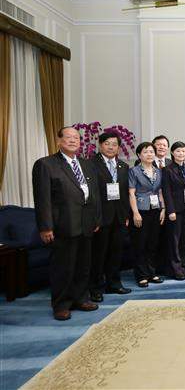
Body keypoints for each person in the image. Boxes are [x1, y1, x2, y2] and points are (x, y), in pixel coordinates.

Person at [32, 127, 102, 321]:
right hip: (62, 225)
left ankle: (81, 298)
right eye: (68, 137)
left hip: (86, 223)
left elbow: (94, 194)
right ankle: (61, 304)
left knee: (83, 266)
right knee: (63, 267)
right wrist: (45, 226)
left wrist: (96, 219)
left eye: (76, 138)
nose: (73, 141)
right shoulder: (46, 164)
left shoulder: (87, 164)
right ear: (58, 141)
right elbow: (42, 199)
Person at [89, 132, 132, 303]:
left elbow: (125, 193)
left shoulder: (123, 166)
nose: (111, 147)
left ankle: (114, 283)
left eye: (114, 144)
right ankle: (95, 288)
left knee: (116, 252)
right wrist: (94, 217)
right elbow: (91, 194)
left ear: (119, 147)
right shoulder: (91, 164)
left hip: (119, 217)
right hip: (100, 218)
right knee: (98, 254)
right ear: (100, 145)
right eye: (107, 143)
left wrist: (126, 214)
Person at [129, 142, 165, 288]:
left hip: (156, 210)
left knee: (152, 243)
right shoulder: (134, 171)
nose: (149, 154)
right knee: (140, 244)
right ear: (139, 155)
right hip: (141, 210)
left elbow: (160, 191)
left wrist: (163, 209)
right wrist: (135, 212)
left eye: (151, 151)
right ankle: (141, 275)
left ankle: (151, 272)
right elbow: (131, 193)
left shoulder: (158, 171)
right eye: (145, 152)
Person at [162, 141, 185, 280]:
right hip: (175, 211)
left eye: (183, 151)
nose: (181, 153)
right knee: (175, 241)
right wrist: (170, 210)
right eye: (178, 151)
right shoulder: (167, 170)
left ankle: (184, 268)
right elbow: (166, 191)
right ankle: (176, 270)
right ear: (172, 153)